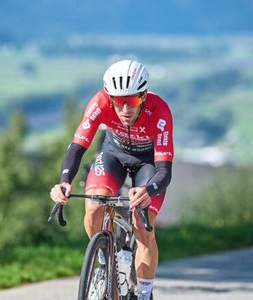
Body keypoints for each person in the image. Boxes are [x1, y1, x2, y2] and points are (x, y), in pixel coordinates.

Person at [50, 59, 173, 300]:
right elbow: (77, 147)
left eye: (133, 101)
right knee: (95, 206)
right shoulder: (99, 102)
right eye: (119, 101)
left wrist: (148, 190)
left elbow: (164, 171)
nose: (125, 109)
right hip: (113, 154)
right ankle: (104, 262)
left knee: (142, 227)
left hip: (149, 163)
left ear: (144, 96)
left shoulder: (159, 111)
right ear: (110, 98)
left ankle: (144, 294)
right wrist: (64, 181)